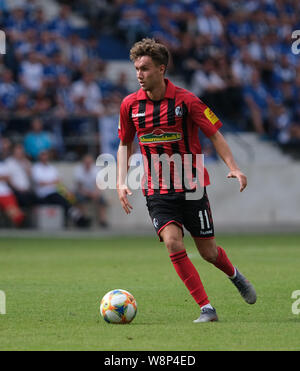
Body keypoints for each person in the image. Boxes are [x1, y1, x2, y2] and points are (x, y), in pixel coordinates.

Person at [117, 38, 256, 323]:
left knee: (208, 251)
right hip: (157, 189)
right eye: (136, 69)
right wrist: (121, 180)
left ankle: (235, 275)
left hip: (192, 187)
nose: (139, 75)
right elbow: (124, 144)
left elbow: (215, 134)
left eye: (144, 68)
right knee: (173, 243)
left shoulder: (188, 101)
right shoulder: (130, 105)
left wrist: (234, 166)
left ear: (161, 69)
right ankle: (206, 308)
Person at [32, 150, 90, 228]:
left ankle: (79, 216)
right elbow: (40, 183)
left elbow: (58, 183)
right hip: (44, 194)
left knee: (72, 198)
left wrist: (67, 192)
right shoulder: (36, 168)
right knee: (62, 200)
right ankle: (79, 219)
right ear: (40, 157)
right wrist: (52, 182)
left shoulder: (51, 168)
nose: (44, 157)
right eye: (43, 155)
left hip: (55, 191)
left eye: (45, 155)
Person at [73, 154, 109, 228]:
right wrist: (89, 194)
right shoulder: (78, 170)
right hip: (83, 192)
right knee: (79, 199)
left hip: (93, 192)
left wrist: (95, 193)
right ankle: (84, 219)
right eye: (86, 162)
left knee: (102, 200)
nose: (88, 164)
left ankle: (102, 220)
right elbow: (79, 188)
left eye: (89, 162)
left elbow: (98, 184)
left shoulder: (96, 169)